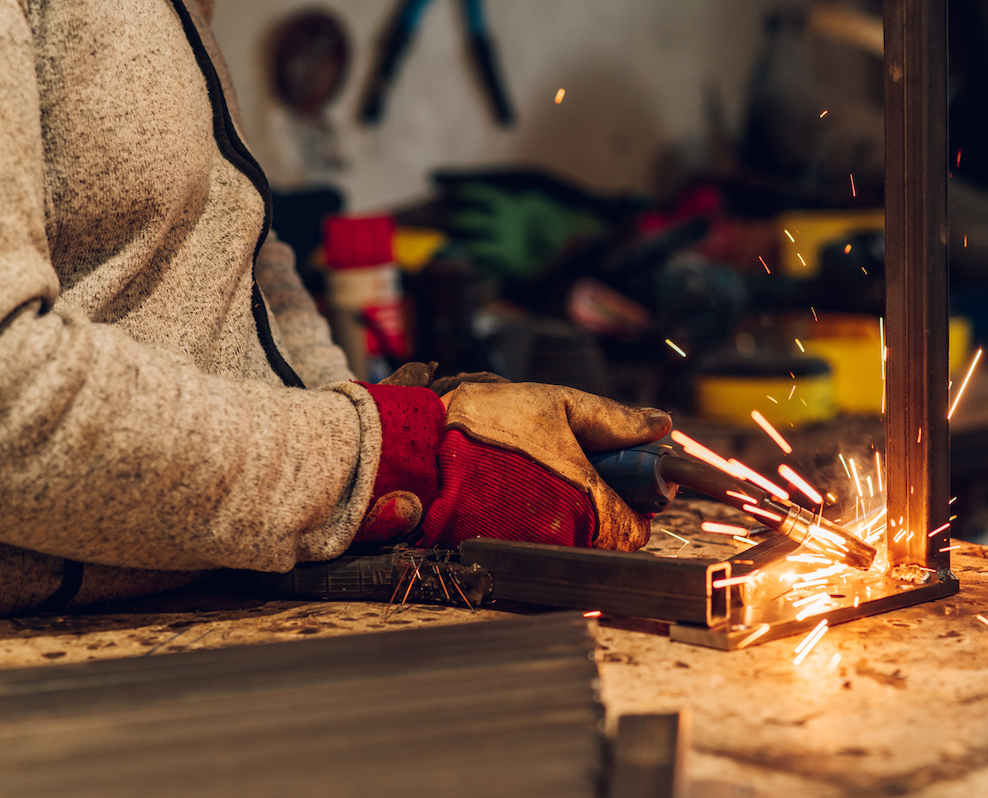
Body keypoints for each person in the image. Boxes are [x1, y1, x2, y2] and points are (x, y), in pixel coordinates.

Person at [0, 0, 670, 615]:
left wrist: (369, 421)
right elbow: (11, 399)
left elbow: (247, 250)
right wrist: (377, 455)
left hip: (220, 582)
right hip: (65, 658)